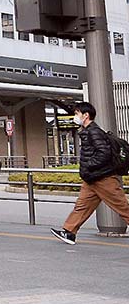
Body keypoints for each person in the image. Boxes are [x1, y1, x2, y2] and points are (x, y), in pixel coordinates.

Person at [51, 102, 129, 245]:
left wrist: (88, 165)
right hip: (92, 179)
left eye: (77, 113)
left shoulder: (94, 132)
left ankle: (69, 231)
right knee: (82, 206)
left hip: (103, 178)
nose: (75, 116)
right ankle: (69, 232)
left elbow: (104, 153)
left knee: (122, 207)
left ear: (86, 115)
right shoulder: (87, 131)